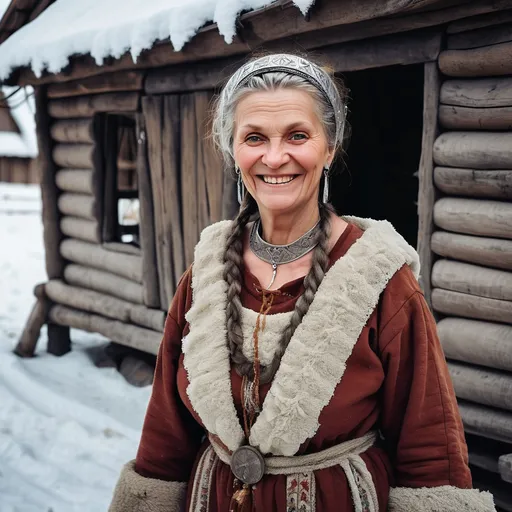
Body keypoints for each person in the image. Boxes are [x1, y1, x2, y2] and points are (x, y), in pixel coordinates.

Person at [109, 53, 496, 512]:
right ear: (233, 150)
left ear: (329, 147)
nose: (275, 157)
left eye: (297, 135)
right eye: (254, 137)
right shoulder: (205, 277)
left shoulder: (382, 282)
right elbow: (165, 432)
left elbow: (430, 447)